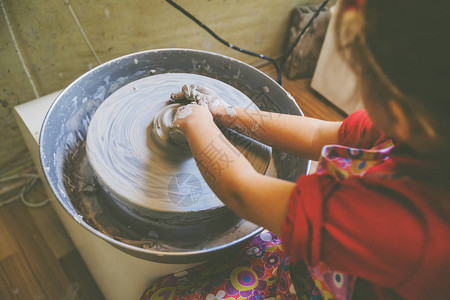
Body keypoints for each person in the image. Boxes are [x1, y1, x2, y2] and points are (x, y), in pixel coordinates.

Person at [142, 0, 450, 299]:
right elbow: (318, 134)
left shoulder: (394, 224)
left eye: (360, 73)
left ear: (397, 109)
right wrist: (226, 114)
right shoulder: (421, 127)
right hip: (322, 264)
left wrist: (194, 124)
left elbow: (242, 192)